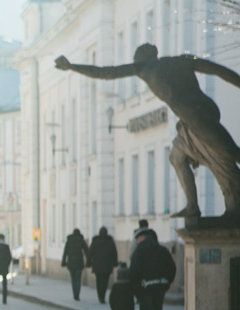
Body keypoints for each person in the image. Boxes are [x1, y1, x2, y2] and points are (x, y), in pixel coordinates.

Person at [55, 44, 240, 221]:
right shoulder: (182, 60)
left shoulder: (143, 67)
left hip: (195, 119)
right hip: (200, 113)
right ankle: (193, 205)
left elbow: (107, 73)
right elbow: (219, 70)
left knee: (228, 153)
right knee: (177, 157)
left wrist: (72, 66)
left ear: (141, 58)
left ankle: (211, 203)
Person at [130, 228, 176, 310]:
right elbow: (172, 267)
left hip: (145, 287)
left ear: (143, 238)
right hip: (160, 286)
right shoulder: (162, 250)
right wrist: (167, 282)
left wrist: (135, 289)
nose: (138, 241)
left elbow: (134, 271)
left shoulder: (139, 251)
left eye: (139, 238)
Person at [89, 226, 119, 304]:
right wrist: (115, 263)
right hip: (107, 266)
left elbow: (90, 253)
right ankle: (103, 296)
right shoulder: (110, 241)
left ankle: (100, 296)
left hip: (97, 265)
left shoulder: (95, 241)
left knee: (98, 281)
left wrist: (88, 262)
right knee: (105, 281)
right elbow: (114, 253)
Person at [61, 228, 90, 300]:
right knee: (78, 279)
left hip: (71, 262)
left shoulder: (69, 241)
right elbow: (86, 251)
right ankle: (77, 294)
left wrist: (63, 262)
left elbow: (65, 252)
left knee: (73, 279)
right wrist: (88, 261)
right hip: (79, 262)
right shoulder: (81, 240)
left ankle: (74, 294)